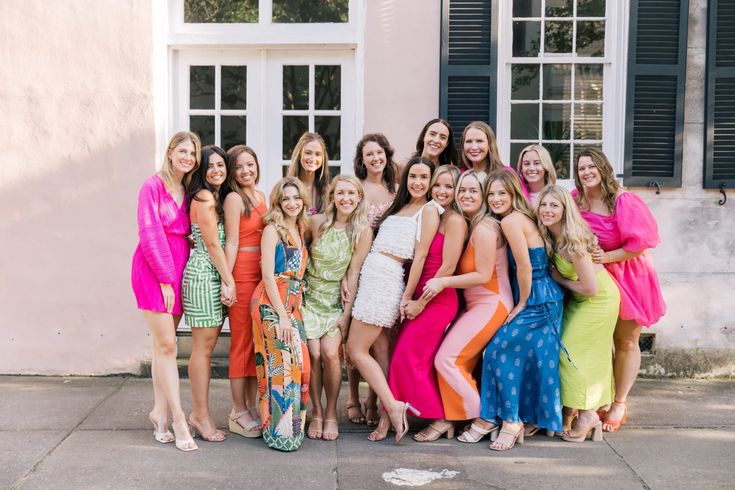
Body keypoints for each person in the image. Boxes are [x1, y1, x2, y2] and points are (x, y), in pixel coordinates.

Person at [573, 148, 666, 433]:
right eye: (581, 168)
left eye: (591, 167)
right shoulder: (577, 200)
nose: (586, 172)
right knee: (598, 342)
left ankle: (620, 402)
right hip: (595, 278)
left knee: (625, 340)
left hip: (627, 275)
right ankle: (598, 398)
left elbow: (640, 242)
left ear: (603, 168)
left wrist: (608, 257)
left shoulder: (623, 200)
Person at [347, 157, 438, 443]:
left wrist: (409, 295)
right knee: (381, 350)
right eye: (413, 176)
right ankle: (388, 416)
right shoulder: (399, 205)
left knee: (355, 349)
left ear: (431, 181)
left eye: (424, 177)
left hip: (386, 279)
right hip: (372, 275)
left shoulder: (429, 210)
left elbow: (421, 255)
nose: (418, 182)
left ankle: (394, 405)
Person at [479, 169, 565, 451]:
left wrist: (521, 303)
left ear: (514, 192)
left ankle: (511, 420)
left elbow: (526, 267)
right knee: (531, 358)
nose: (495, 198)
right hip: (545, 297)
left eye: (502, 193)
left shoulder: (511, 222)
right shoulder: (519, 218)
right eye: (490, 194)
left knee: (497, 350)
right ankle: (529, 417)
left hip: (537, 300)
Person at [426, 170, 513, 443]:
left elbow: (484, 275)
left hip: (491, 304)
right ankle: (456, 415)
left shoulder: (486, 228)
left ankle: (484, 416)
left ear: (484, 195)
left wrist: (442, 282)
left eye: (474, 191)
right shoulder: (472, 224)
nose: (466, 195)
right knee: (453, 360)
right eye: (462, 189)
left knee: (447, 360)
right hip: (476, 305)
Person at [131, 131, 200, 452]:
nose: (188, 157)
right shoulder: (152, 186)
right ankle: (178, 418)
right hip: (154, 270)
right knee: (169, 345)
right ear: (170, 152)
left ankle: (158, 413)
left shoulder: (187, 189)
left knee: (163, 347)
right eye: (183, 151)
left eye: (193, 153)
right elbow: (149, 232)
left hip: (180, 267)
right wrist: (164, 279)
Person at [388, 165, 467, 441]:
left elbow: (447, 268)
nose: (442, 191)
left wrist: (420, 302)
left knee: (409, 358)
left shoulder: (456, 220)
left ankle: (442, 417)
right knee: (406, 358)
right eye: (438, 186)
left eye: (449, 187)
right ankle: (409, 412)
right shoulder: (434, 214)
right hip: (421, 291)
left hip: (438, 299)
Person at [536, 185, 620, 442]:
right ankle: (572, 410)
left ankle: (588, 414)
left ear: (565, 210)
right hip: (580, 299)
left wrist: (559, 278)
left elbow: (591, 288)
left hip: (598, 300)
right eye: (544, 205)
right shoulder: (550, 235)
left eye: (554, 205)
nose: (548, 210)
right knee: (568, 351)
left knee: (571, 353)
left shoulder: (573, 242)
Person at [303, 176, 372, 441]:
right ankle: (316, 412)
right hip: (310, 297)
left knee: (331, 353)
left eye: (351, 193)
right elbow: (299, 252)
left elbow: (353, 274)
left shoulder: (362, 231)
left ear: (359, 197)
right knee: (314, 353)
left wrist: (345, 316)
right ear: (332, 196)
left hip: (335, 300)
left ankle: (331, 412)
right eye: (340, 193)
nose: (345, 199)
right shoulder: (317, 223)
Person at [251, 177, 311, 451]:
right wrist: (282, 315)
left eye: (296, 197)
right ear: (278, 201)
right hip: (271, 303)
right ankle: (279, 433)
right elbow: (267, 275)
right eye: (286, 198)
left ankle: (293, 426)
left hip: (293, 304)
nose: (292, 203)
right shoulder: (272, 229)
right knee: (281, 365)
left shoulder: (299, 227)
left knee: (301, 365)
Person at [182, 145, 236, 443]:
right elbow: (213, 245)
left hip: (214, 274)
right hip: (205, 276)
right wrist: (229, 282)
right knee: (202, 350)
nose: (216, 170)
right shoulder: (203, 198)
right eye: (210, 166)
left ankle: (200, 413)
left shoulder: (215, 197)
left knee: (207, 346)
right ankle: (200, 415)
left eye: (220, 165)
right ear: (201, 172)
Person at [346, 133, 399, 426]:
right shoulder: (358, 189)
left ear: (386, 155)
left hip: (385, 271)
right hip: (358, 261)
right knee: (354, 336)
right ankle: (353, 396)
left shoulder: (397, 190)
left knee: (381, 341)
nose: (375, 158)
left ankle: (375, 400)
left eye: (379, 153)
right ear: (362, 160)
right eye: (369, 154)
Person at [223, 145, 266, 438]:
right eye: (239, 167)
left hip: (261, 275)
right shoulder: (234, 199)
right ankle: (237, 411)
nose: (246, 171)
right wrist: (229, 281)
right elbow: (232, 242)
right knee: (240, 343)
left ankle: (250, 406)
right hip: (242, 271)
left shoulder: (261, 196)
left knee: (255, 343)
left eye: (250, 165)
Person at [459, 121, 529, 198]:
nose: (474, 147)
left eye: (479, 141)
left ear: (490, 144)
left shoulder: (507, 174)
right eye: (469, 141)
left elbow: (523, 206)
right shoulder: (459, 175)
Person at [286, 132, 331, 216]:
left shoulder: (328, 191)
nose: (313, 158)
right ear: (299, 155)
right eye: (308, 153)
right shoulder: (284, 189)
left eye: (318, 154)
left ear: (323, 159)